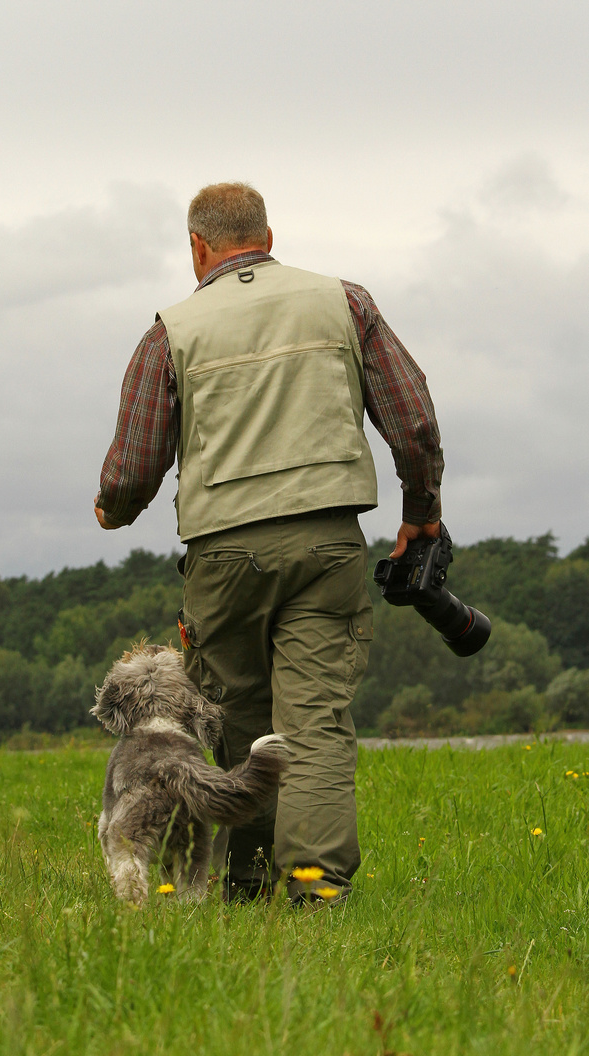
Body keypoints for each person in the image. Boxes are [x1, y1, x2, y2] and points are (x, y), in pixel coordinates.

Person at [95, 182, 443, 905]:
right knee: (314, 723)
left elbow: (133, 468)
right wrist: (420, 510)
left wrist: (113, 508)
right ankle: (316, 889)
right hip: (326, 542)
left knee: (236, 719)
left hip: (223, 553)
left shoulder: (170, 330)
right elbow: (411, 421)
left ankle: (245, 879)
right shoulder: (344, 302)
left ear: (197, 247)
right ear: (268, 234)